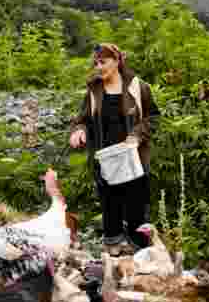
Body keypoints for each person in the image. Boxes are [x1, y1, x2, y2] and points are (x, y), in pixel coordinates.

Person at [69, 43, 161, 256]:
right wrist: (79, 131)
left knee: (136, 211)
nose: (99, 67)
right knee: (110, 209)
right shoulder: (94, 90)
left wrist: (137, 135)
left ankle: (141, 257)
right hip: (105, 161)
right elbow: (81, 120)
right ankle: (114, 258)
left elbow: (153, 117)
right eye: (96, 63)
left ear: (117, 61)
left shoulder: (138, 87)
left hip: (133, 160)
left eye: (103, 62)